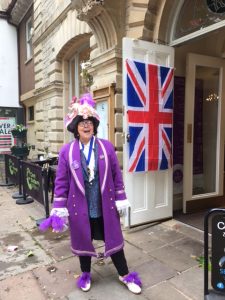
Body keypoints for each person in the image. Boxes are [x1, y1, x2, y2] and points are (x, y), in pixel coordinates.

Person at [40, 93, 142, 294]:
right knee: (82, 240)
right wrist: (59, 208)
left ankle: (124, 274)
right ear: (76, 127)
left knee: (114, 239)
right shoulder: (66, 151)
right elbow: (61, 182)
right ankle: (85, 274)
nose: (86, 125)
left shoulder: (107, 147)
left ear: (94, 125)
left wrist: (121, 198)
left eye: (89, 122)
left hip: (105, 204)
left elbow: (116, 175)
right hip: (79, 207)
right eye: (81, 122)